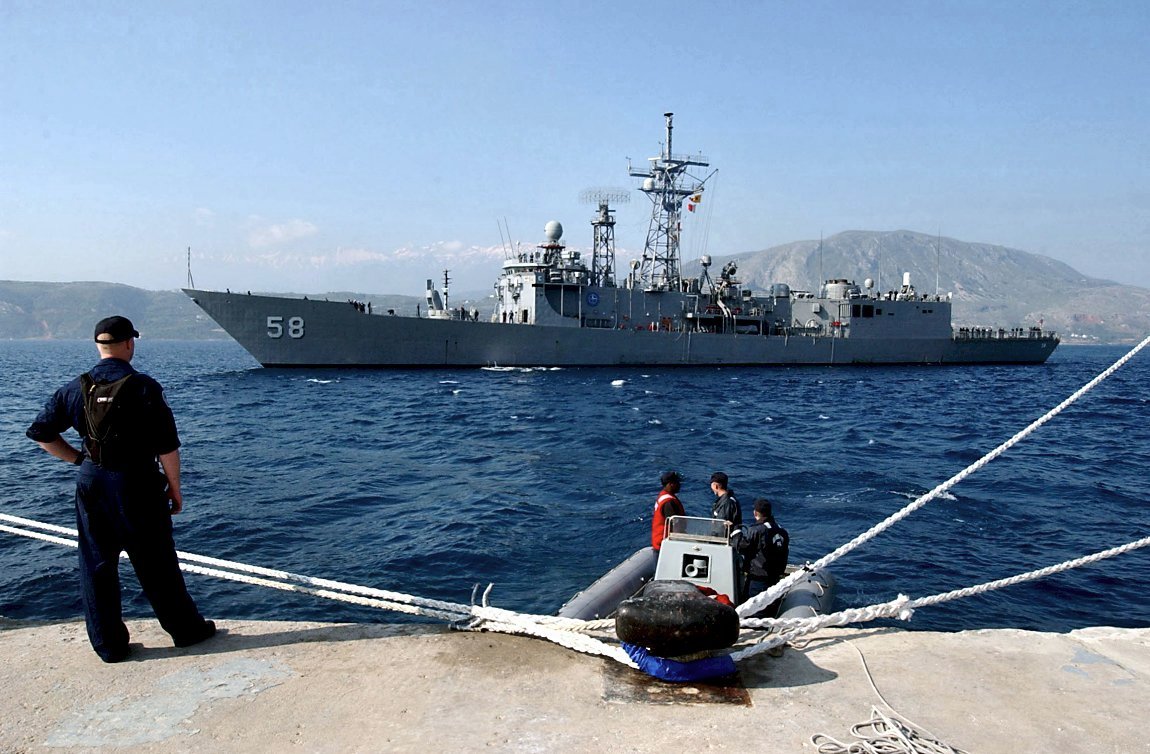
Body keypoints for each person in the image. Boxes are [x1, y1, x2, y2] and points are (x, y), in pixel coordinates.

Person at [26, 315, 215, 663]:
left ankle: (109, 646)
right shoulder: (144, 387)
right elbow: (167, 446)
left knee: (97, 563)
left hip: (92, 482)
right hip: (137, 483)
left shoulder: (76, 388)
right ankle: (187, 631)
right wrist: (175, 488)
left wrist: (78, 459)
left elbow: (40, 432)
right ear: (129, 343)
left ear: (98, 346)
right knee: (156, 561)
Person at [734, 498, 790, 607]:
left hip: (758, 579)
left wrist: (736, 532)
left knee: (753, 609)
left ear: (755, 513)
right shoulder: (782, 531)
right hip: (775, 578)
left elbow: (742, 547)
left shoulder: (757, 530)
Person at [651, 470, 686, 551]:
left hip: (658, 541)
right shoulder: (669, 503)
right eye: (677, 483)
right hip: (665, 544)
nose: (679, 485)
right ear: (671, 484)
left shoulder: (663, 495)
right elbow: (675, 525)